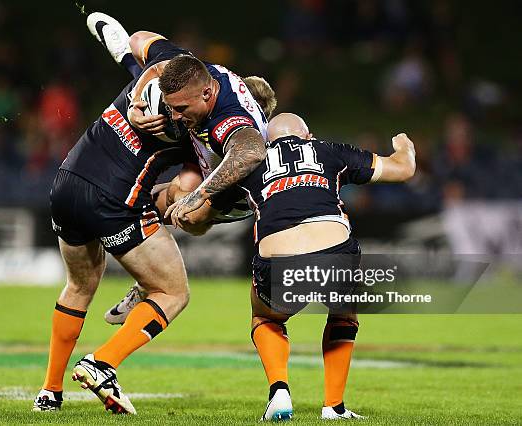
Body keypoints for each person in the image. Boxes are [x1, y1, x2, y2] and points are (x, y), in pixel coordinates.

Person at [33, 12, 268, 414]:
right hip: (111, 202)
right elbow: (195, 190)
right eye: (173, 108)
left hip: (66, 184)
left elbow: (136, 46)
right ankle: (102, 362)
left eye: (181, 110)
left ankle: (49, 394)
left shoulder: (181, 70)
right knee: (173, 291)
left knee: (78, 286)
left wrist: (130, 72)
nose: (177, 117)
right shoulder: (203, 115)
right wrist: (206, 203)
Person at [235, 113, 416, 420]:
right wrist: (405, 146)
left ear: (267, 142)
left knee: (265, 317)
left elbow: (197, 214)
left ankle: (279, 390)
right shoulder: (327, 150)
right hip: (333, 248)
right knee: (344, 311)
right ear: (309, 136)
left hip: (278, 258)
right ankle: (334, 406)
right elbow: (403, 169)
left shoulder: (250, 163)